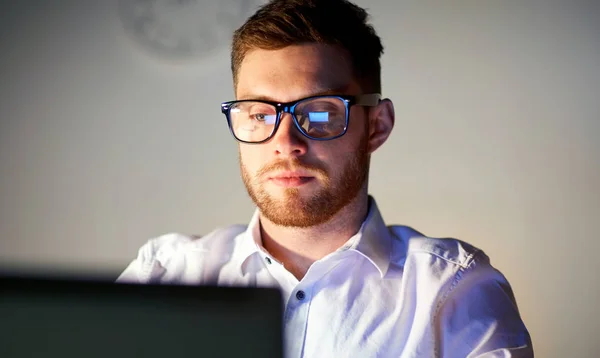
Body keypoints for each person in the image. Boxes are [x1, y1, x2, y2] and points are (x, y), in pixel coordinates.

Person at [117, 0, 533, 356]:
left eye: (319, 113)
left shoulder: (452, 291)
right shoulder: (166, 276)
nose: (286, 142)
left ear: (377, 125)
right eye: (261, 114)